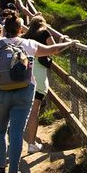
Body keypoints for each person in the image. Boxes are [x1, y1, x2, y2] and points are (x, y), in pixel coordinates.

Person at [0, 13, 77, 173]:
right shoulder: (29, 44)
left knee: (0, 131)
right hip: (24, 92)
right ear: (21, 29)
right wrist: (71, 42)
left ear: (4, 29)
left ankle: (1, 168)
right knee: (16, 131)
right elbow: (55, 50)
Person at [23, 15, 56, 153]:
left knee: (21, 108)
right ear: (43, 24)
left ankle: (12, 142)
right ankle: (31, 144)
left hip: (24, 75)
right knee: (34, 109)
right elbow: (54, 48)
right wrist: (67, 42)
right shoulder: (45, 32)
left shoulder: (24, 37)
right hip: (38, 76)